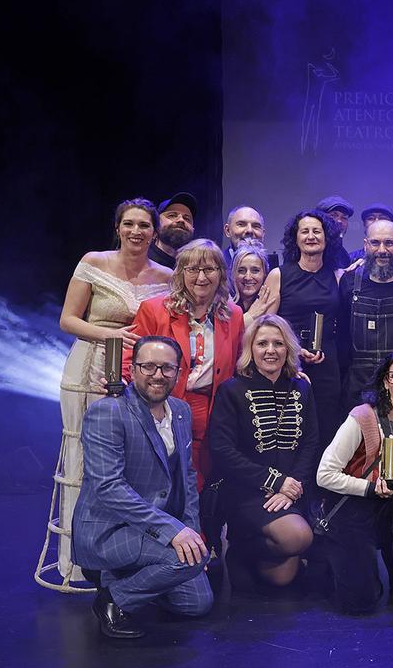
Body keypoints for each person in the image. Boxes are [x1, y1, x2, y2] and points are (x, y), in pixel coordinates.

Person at [37, 198, 172, 592]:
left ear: (154, 232)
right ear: (118, 228)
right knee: (85, 459)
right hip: (89, 366)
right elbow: (68, 319)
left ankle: (119, 556)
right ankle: (77, 560)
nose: (136, 231)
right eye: (128, 224)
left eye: (144, 226)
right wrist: (110, 334)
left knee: (128, 463)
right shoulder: (94, 262)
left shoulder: (165, 274)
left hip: (139, 372)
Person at [73, 336, 213, 639]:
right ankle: (112, 600)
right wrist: (173, 532)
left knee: (197, 604)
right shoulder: (109, 412)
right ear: (133, 369)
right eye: (147, 366)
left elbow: (187, 479)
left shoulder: (180, 410)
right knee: (187, 560)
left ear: (178, 373)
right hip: (110, 531)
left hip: (151, 530)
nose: (157, 375)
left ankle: (127, 579)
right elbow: (109, 487)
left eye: (166, 368)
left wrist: (191, 533)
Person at [315, 349, 393, 613]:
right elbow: (324, 474)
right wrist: (370, 488)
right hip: (350, 510)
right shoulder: (362, 417)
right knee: (361, 602)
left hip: (384, 508)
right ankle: (333, 560)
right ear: (385, 382)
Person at [124, 239, 245, 491]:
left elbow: (241, 363)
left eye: (209, 269)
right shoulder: (154, 309)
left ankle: (195, 529)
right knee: (160, 478)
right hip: (161, 405)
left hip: (211, 410)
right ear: (181, 274)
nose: (201, 277)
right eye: (193, 269)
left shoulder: (234, 315)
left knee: (197, 481)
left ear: (221, 274)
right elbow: (129, 360)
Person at [206, 315, 318, 588]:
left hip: (290, 492)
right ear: (250, 349)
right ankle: (242, 542)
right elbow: (222, 449)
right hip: (246, 492)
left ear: (288, 349)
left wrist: (290, 487)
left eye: (278, 343)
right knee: (297, 538)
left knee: (281, 578)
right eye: (262, 343)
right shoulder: (231, 390)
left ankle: (243, 554)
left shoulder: (301, 387)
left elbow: (311, 442)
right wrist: (275, 482)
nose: (271, 350)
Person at [262, 209, 347, 453]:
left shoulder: (339, 276)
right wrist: (294, 350)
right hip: (287, 360)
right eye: (305, 231)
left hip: (327, 362)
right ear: (296, 238)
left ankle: (321, 486)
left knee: (326, 426)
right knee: (288, 427)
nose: (311, 236)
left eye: (317, 231)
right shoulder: (278, 275)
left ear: (327, 237)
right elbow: (267, 323)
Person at [338, 217, 393, 411]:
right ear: (365, 244)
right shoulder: (349, 281)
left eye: (389, 243)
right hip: (358, 388)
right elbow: (340, 339)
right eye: (375, 243)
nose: (382, 250)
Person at [229, 240, 276, 329]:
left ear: (265, 273)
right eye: (241, 270)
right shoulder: (223, 302)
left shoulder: (272, 301)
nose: (248, 277)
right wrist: (250, 316)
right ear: (233, 273)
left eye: (255, 270)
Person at [222, 205, 279, 270]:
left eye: (256, 226)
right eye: (241, 224)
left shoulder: (273, 270)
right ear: (228, 230)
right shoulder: (216, 265)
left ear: (263, 234)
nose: (249, 230)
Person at [149, 192, 197, 269]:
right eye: (172, 215)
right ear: (156, 224)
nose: (181, 220)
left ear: (193, 229)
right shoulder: (140, 261)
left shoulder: (196, 266)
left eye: (187, 218)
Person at [315, 194, 355, 269]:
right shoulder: (309, 248)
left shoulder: (344, 256)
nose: (339, 221)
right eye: (333, 215)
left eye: (344, 218)